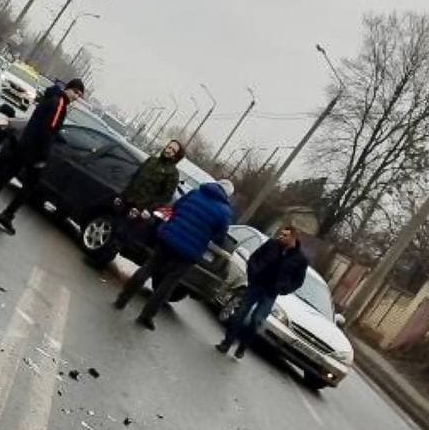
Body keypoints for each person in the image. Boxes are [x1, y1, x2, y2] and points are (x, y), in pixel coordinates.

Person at [114, 178, 235, 329]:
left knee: (148, 267)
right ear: (228, 195)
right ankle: (146, 316)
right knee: (169, 283)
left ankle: (122, 299)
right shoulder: (224, 212)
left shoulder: (195, 193)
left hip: (168, 238)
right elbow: (219, 237)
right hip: (189, 251)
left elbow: (176, 207)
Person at [0, 78, 85, 235]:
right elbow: (49, 130)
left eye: (79, 95)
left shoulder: (50, 98)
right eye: (76, 92)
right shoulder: (59, 103)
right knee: (30, 186)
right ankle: (7, 215)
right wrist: (42, 157)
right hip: (34, 151)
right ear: (68, 89)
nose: (76, 97)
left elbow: (41, 124)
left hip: (24, 144)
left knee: (6, 175)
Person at [217, 224, 309, 358]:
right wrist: (252, 273)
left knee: (256, 320)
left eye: (285, 235)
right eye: (281, 234)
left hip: (271, 293)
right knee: (239, 314)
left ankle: (243, 345)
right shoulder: (272, 245)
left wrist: (284, 289)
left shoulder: (300, 259)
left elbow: (298, 281)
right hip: (256, 285)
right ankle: (227, 342)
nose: (281, 237)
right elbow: (254, 258)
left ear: (293, 238)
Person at [112, 139, 185, 251]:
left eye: (173, 150)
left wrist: (149, 209)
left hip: (141, 208)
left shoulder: (172, 173)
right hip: (128, 199)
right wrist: (122, 196)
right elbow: (135, 178)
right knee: (113, 225)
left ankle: (105, 257)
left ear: (176, 156)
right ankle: (100, 253)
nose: (168, 150)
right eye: (168, 147)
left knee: (122, 234)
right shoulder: (152, 160)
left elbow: (166, 196)